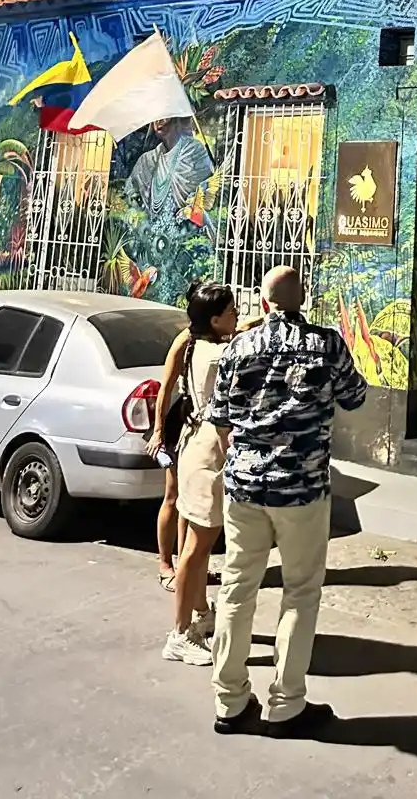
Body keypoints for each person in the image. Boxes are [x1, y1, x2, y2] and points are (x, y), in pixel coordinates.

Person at [206, 264, 366, 737]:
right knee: (300, 591)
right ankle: (286, 704)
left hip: (245, 487)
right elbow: (355, 397)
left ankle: (229, 701)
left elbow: (220, 417)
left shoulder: (237, 347)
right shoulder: (326, 345)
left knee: (237, 587)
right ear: (303, 297)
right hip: (302, 490)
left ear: (263, 301)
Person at [161, 282, 239, 666]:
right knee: (195, 549)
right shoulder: (220, 355)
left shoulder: (197, 343)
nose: (237, 316)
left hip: (196, 446)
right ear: (215, 320)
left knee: (199, 546)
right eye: (232, 311)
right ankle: (179, 633)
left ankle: (200, 614)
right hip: (208, 454)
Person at [147, 324, 192, 590]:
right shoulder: (185, 341)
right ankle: (165, 565)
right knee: (174, 496)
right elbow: (166, 388)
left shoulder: (221, 336)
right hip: (182, 422)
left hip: (205, 424)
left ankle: (189, 566)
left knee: (194, 502)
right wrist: (158, 432)